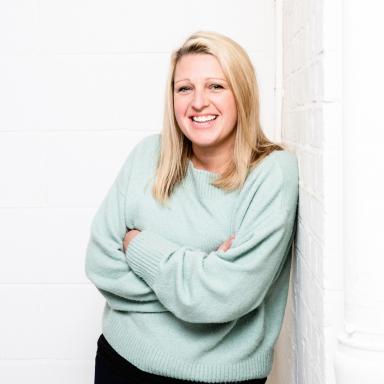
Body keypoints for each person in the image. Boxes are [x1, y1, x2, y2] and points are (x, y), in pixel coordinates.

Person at [85, 30, 299, 384]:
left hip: (220, 379)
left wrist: (137, 245)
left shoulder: (272, 172)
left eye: (216, 86)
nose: (198, 102)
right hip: (120, 361)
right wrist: (200, 277)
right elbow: (99, 262)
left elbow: (224, 296)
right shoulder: (147, 156)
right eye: (184, 88)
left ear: (242, 94)